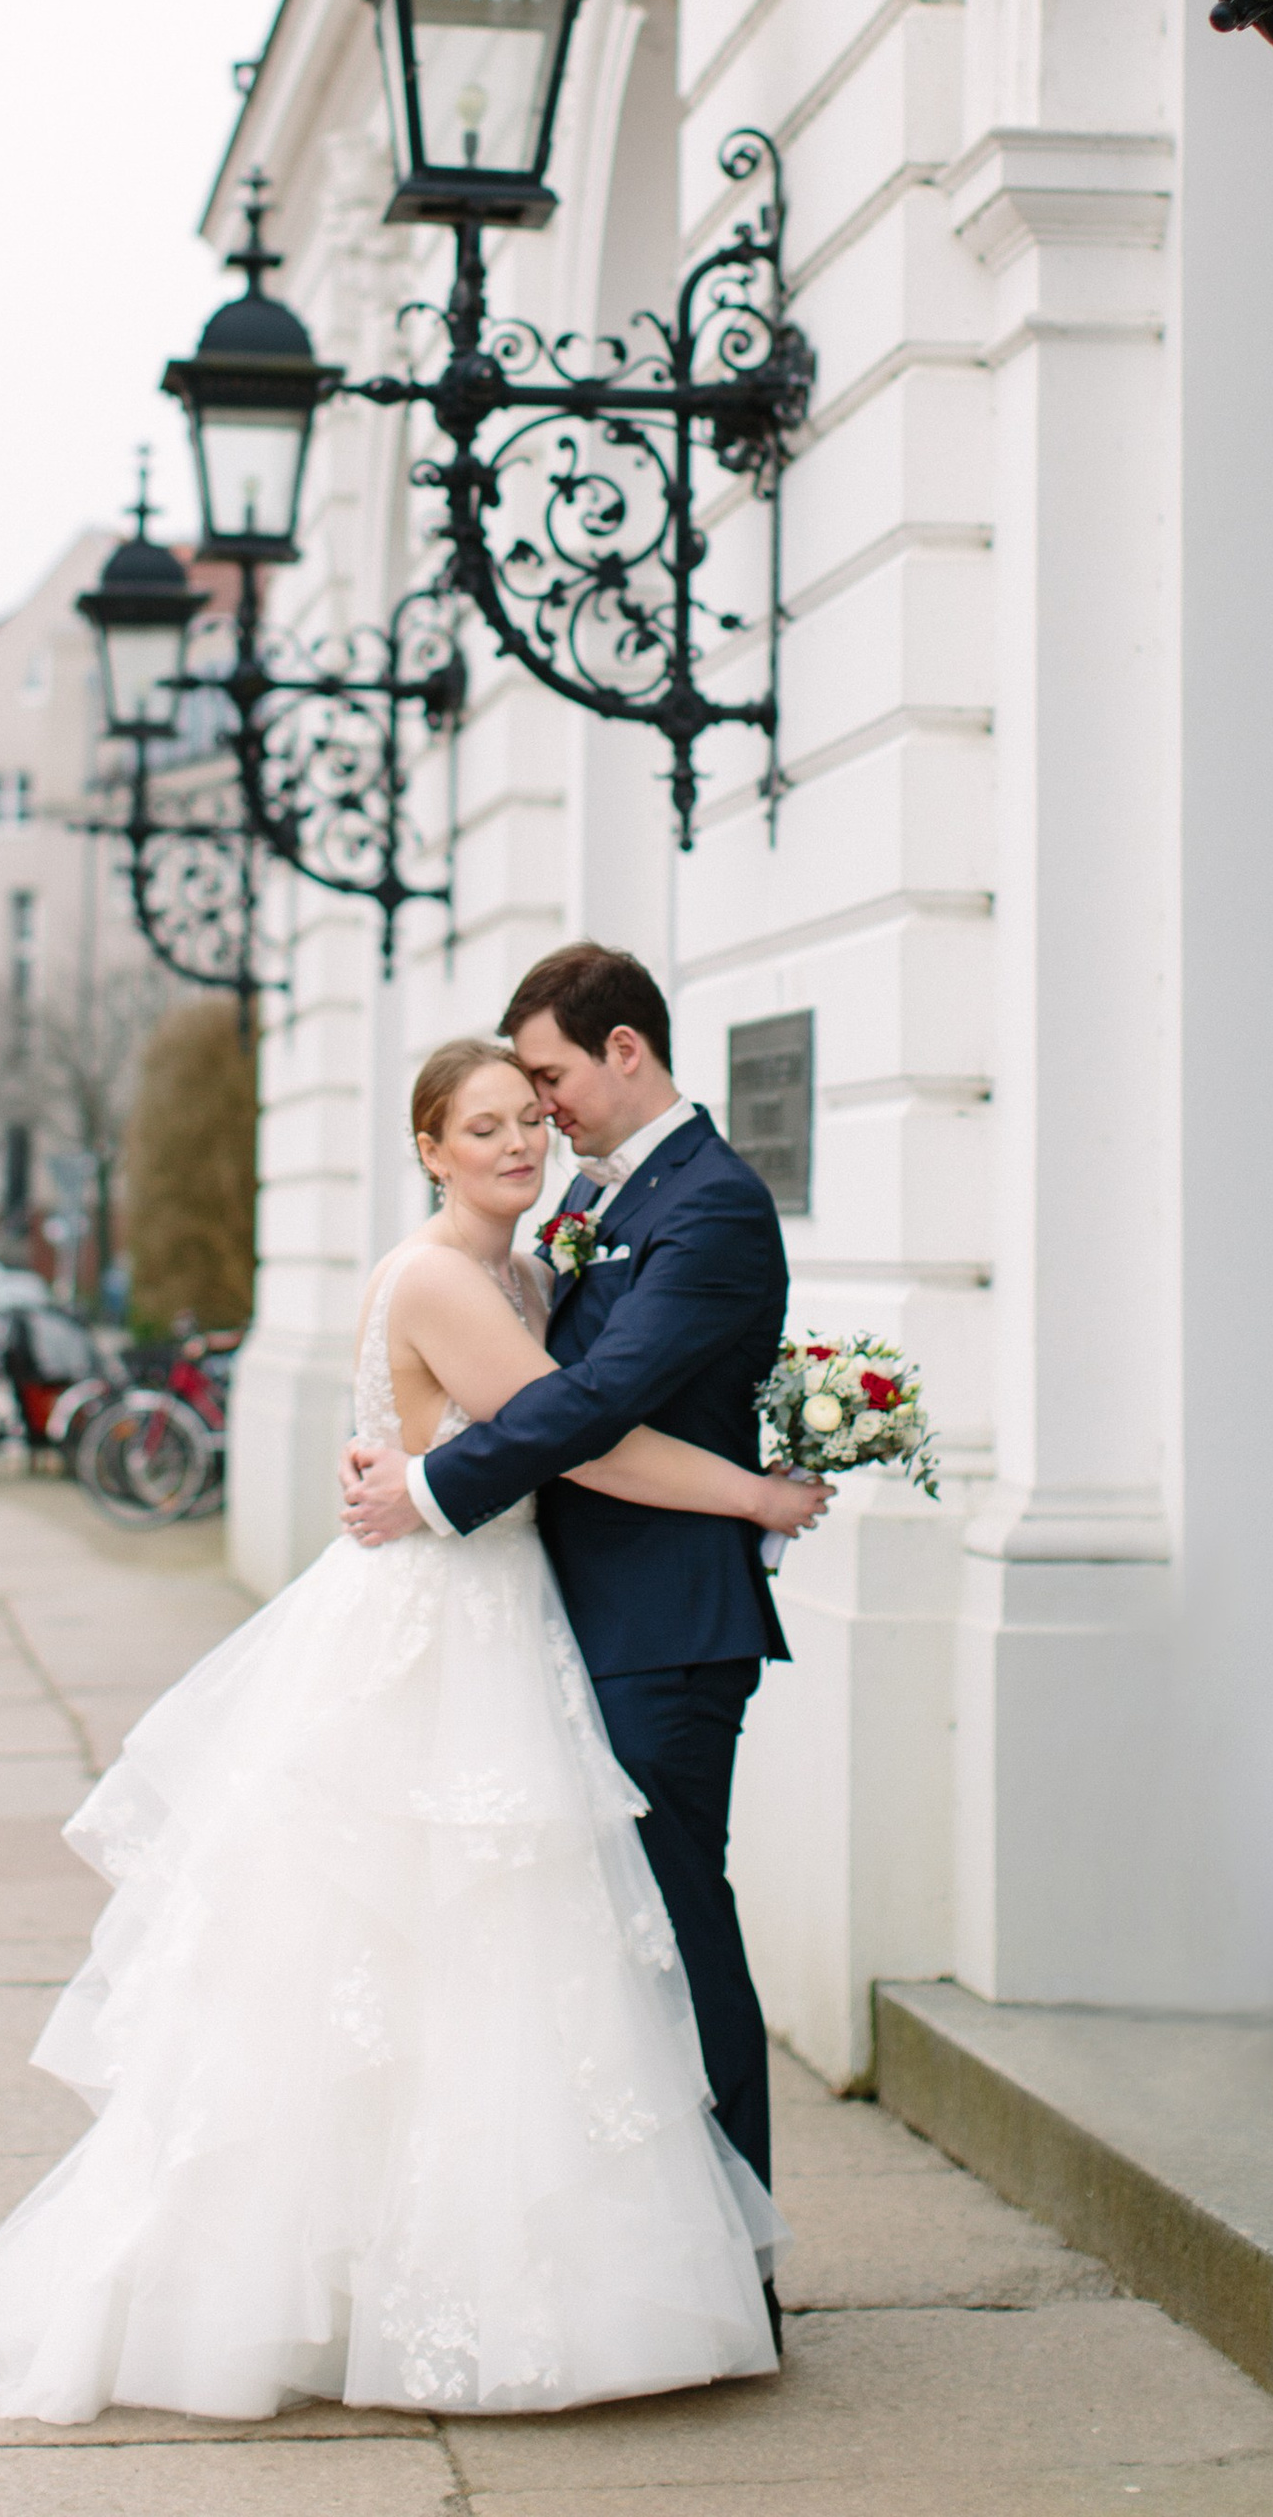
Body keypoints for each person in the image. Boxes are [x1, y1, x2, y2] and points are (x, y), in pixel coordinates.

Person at [0, 1034, 824, 2423]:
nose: (516, 1147)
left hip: (503, 1613)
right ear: (428, 1147)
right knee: (433, 1954)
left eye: (527, 1123)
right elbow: (579, 1437)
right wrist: (752, 1497)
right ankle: (398, 2292)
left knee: (494, 1970)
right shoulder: (433, 1275)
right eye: (481, 1129)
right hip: (443, 1627)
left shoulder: (523, 1272)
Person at [339, 943, 790, 2205]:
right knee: (587, 1956)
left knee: (678, 1934)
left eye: (544, 1084)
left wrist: (432, 1487)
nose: (538, 1118)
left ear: (624, 1052)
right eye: (498, 1112)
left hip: (664, 1626)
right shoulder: (579, 1213)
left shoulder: (710, 1202)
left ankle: (731, 2244)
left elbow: (591, 1404)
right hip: (554, 1619)